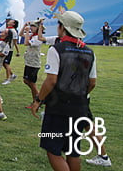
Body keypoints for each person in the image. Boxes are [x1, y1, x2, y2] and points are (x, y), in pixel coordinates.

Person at [31, 11, 96, 171]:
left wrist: (39, 100)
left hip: (58, 107)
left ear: (62, 28)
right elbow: (92, 82)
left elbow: (51, 80)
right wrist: (79, 94)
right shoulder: (89, 52)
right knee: (73, 151)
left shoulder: (57, 49)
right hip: (80, 106)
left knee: (52, 149)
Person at [20, 19, 47, 108]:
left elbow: (26, 43)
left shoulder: (37, 38)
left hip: (34, 63)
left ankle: (37, 100)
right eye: (31, 26)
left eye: (33, 26)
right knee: (26, 80)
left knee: (32, 83)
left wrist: (27, 32)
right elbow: (20, 35)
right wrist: (24, 26)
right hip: (29, 61)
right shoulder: (32, 35)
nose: (31, 28)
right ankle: (39, 97)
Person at [1, 19, 19, 85]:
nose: (9, 21)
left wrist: (18, 51)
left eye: (11, 21)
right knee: (4, 63)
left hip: (9, 49)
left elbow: (15, 42)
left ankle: (8, 79)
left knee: (6, 64)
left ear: (13, 24)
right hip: (4, 48)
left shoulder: (13, 31)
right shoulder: (7, 29)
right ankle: (12, 75)